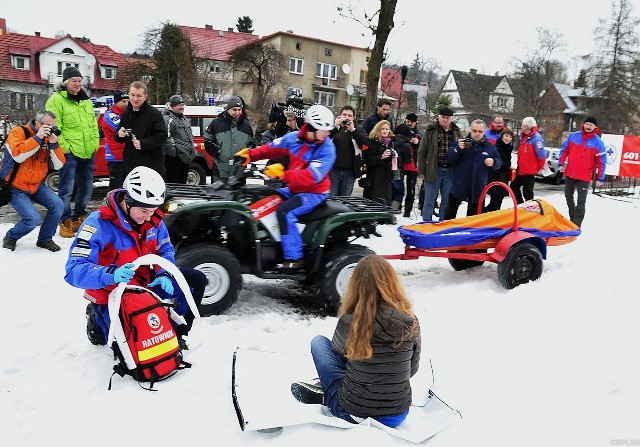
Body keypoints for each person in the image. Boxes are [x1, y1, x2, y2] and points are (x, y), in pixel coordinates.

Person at [64, 166, 206, 348]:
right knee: (131, 347)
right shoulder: (98, 223)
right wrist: (111, 274)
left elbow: (165, 249)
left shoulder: (152, 219)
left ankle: (176, 333)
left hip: (148, 284)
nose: (148, 218)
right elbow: (74, 269)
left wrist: (164, 273)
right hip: (113, 292)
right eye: (144, 211)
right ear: (128, 201)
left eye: (153, 211)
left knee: (196, 281)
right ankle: (97, 318)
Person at [291, 254, 421, 429]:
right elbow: (411, 369)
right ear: (392, 282)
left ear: (356, 285)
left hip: (353, 413)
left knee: (319, 343)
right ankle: (331, 393)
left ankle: (328, 395)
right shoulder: (410, 320)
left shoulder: (350, 320)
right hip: (397, 415)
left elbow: (339, 358)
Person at [233, 104, 336, 270]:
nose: (328, 133)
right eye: (325, 129)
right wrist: (249, 155)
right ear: (311, 127)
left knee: (285, 211)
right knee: (263, 199)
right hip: (294, 188)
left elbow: (310, 178)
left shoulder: (327, 148)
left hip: (314, 192)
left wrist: (283, 175)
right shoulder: (293, 138)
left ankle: (295, 258)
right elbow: (271, 148)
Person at [45, 66, 100, 238]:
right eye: (73, 80)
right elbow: (54, 126)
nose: (77, 83)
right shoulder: (56, 100)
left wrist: (95, 142)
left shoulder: (86, 100)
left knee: (86, 188)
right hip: (69, 152)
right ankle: (65, 221)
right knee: (66, 189)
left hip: (88, 150)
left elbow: (93, 124)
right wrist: (65, 147)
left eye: (79, 80)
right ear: (66, 82)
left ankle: (79, 218)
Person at [1, 111, 66, 252]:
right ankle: (11, 237)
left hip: (36, 185)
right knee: (32, 218)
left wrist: (54, 144)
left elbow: (59, 165)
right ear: (38, 123)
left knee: (58, 205)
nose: (51, 128)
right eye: (48, 125)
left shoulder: (49, 138)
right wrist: (38, 137)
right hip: (15, 186)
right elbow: (18, 156)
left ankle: (45, 239)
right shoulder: (18, 132)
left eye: (53, 126)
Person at [443, 119, 502, 219]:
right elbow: (449, 159)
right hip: (459, 186)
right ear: (470, 130)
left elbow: (499, 161)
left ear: (484, 131)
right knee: (449, 215)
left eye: (480, 131)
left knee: (473, 220)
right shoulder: (461, 143)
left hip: (478, 188)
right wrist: (458, 149)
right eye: (474, 131)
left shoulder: (489, 147)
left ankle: (470, 234)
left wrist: (494, 162)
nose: (477, 134)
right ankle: (445, 233)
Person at [558, 115, 607, 227]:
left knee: (581, 201)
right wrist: (561, 163)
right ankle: (572, 217)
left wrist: (600, 178)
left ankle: (576, 224)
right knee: (568, 196)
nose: (588, 126)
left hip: (584, 177)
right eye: (587, 124)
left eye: (591, 125)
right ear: (584, 125)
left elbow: (601, 162)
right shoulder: (574, 136)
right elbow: (564, 150)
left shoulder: (598, 142)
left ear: (595, 127)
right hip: (570, 173)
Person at [115, 81, 167, 180]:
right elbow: (119, 134)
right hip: (131, 164)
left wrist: (143, 144)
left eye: (139, 96)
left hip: (151, 165)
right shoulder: (126, 113)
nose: (135, 99)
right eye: (132, 95)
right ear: (129, 95)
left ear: (145, 97)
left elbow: (162, 136)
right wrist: (119, 134)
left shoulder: (154, 114)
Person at [417, 107, 462, 221]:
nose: (445, 120)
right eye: (443, 117)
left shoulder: (456, 132)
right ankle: (426, 224)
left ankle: (442, 224)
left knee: (447, 201)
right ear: (439, 117)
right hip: (433, 169)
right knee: (429, 200)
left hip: (450, 171)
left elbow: (461, 152)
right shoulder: (431, 130)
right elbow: (422, 151)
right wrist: (421, 170)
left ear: (451, 119)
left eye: (448, 118)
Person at [204, 96, 255, 183]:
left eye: (239, 110)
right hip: (221, 169)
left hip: (239, 171)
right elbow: (207, 140)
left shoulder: (246, 125)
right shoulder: (216, 123)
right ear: (228, 109)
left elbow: (252, 144)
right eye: (234, 110)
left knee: (237, 196)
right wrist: (218, 151)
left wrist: (246, 156)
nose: (237, 112)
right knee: (220, 195)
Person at [329, 105, 369, 196]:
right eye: (344, 114)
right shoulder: (333, 128)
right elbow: (324, 141)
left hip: (350, 172)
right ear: (339, 116)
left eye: (350, 115)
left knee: (345, 200)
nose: (347, 117)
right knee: (332, 199)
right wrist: (335, 127)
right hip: (333, 170)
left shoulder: (358, 130)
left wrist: (353, 130)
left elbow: (365, 146)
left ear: (353, 118)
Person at [162, 94, 197, 184]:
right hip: (174, 159)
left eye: (183, 105)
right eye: (179, 105)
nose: (182, 107)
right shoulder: (167, 119)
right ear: (172, 106)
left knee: (182, 184)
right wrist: (174, 153)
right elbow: (166, 138)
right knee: (172, 184)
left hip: (185, 158)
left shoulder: (184, 119)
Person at [510, 116, 546, 204]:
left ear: (526, 126)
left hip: (529, 170)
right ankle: (521, 206)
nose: (521, 126)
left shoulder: (536, 139)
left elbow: (542, 156)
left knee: (528, 193)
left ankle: (529, 210)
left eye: (522, 125)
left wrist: (538, 168)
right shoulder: (524, 137)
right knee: (514, 188)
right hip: (521, 167)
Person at [362, 120, 397, 207]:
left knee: (386, 203)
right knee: (374, 204)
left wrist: (395, 156)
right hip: (374, 179)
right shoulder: (372, 142)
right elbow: (367, 160)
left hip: (387, 178)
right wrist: (381, 157)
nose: (385, 131)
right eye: (382, 129)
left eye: (387, 129)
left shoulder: (391, 143)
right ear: (378, 130)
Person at [101, 90, 129, 190]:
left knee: (128, 187)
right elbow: (122, 128)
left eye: (127, 101)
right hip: (115, 156)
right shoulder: (110, 115)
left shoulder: (129, 114)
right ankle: (111, 205)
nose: (126, 104)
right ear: (116, 102)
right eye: (123, 101)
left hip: (127, 155)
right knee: (116, 188)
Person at [483, 127, 514, 212]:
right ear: (502, 136)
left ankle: (488, 214)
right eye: (506, 136)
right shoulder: (497, 146)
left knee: (498, 200)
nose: (508, 138)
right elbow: (500, 162)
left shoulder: (508, 147)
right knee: (496, 200)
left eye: (510, 137)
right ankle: (486, 214)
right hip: (496, 176)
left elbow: (507, 163)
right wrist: (505, 164)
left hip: (503, 177)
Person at [402, 113, 421, 217]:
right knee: (397, 186)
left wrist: (418, 142)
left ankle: (407, 211)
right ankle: (396, 205)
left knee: (411, 189)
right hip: (401, 164)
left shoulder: (418, 134)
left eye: (411, 122)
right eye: (407, 121)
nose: (409, 124)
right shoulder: (400, 130)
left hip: (413, 165)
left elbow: (423, 148)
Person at [391, 123, 413, 211]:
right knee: (399, 192)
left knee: (390, 191)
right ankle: (393, 209)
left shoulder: (391, 141)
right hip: (398, 171)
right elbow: (408, 161)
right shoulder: (406, 145)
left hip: (388, 170)